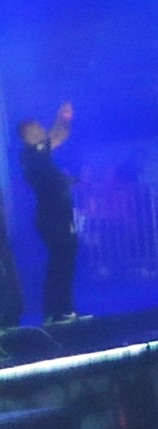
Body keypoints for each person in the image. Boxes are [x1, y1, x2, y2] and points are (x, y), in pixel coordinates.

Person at [18, 105, 77, 323]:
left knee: (61, 260)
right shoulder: (34, 152)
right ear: (28, 135)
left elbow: (48, 180)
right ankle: (58, 311)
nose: (42, 130)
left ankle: (59, 311)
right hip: (53, 216)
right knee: (61, 261)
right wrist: (63, 117)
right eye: (37, 128)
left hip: (53, 214)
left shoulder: (34, 155)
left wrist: (65, 181)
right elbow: (60, 134)